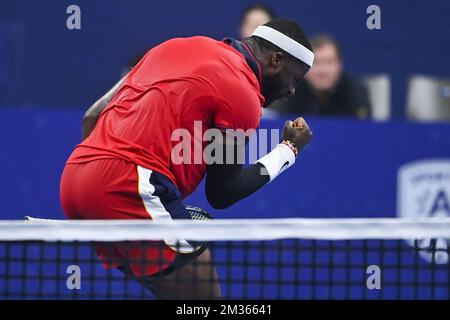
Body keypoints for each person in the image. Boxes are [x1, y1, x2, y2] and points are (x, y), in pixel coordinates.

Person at [60, 18, 314, 299]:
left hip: (74, 179)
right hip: (130, 183)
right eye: (295, 79)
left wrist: (96, 185)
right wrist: (288, 149)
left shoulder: (171, 47)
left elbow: (92, 116)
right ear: (276, 61)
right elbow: (223, 193)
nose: (291, 91)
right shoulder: (242, 94)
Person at [272, 34, 371, 118]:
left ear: (340, 65)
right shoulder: (289, 91)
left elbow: (362, 130)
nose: (323, 71)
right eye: (315, 63)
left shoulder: (355, 90)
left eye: (329, 62)